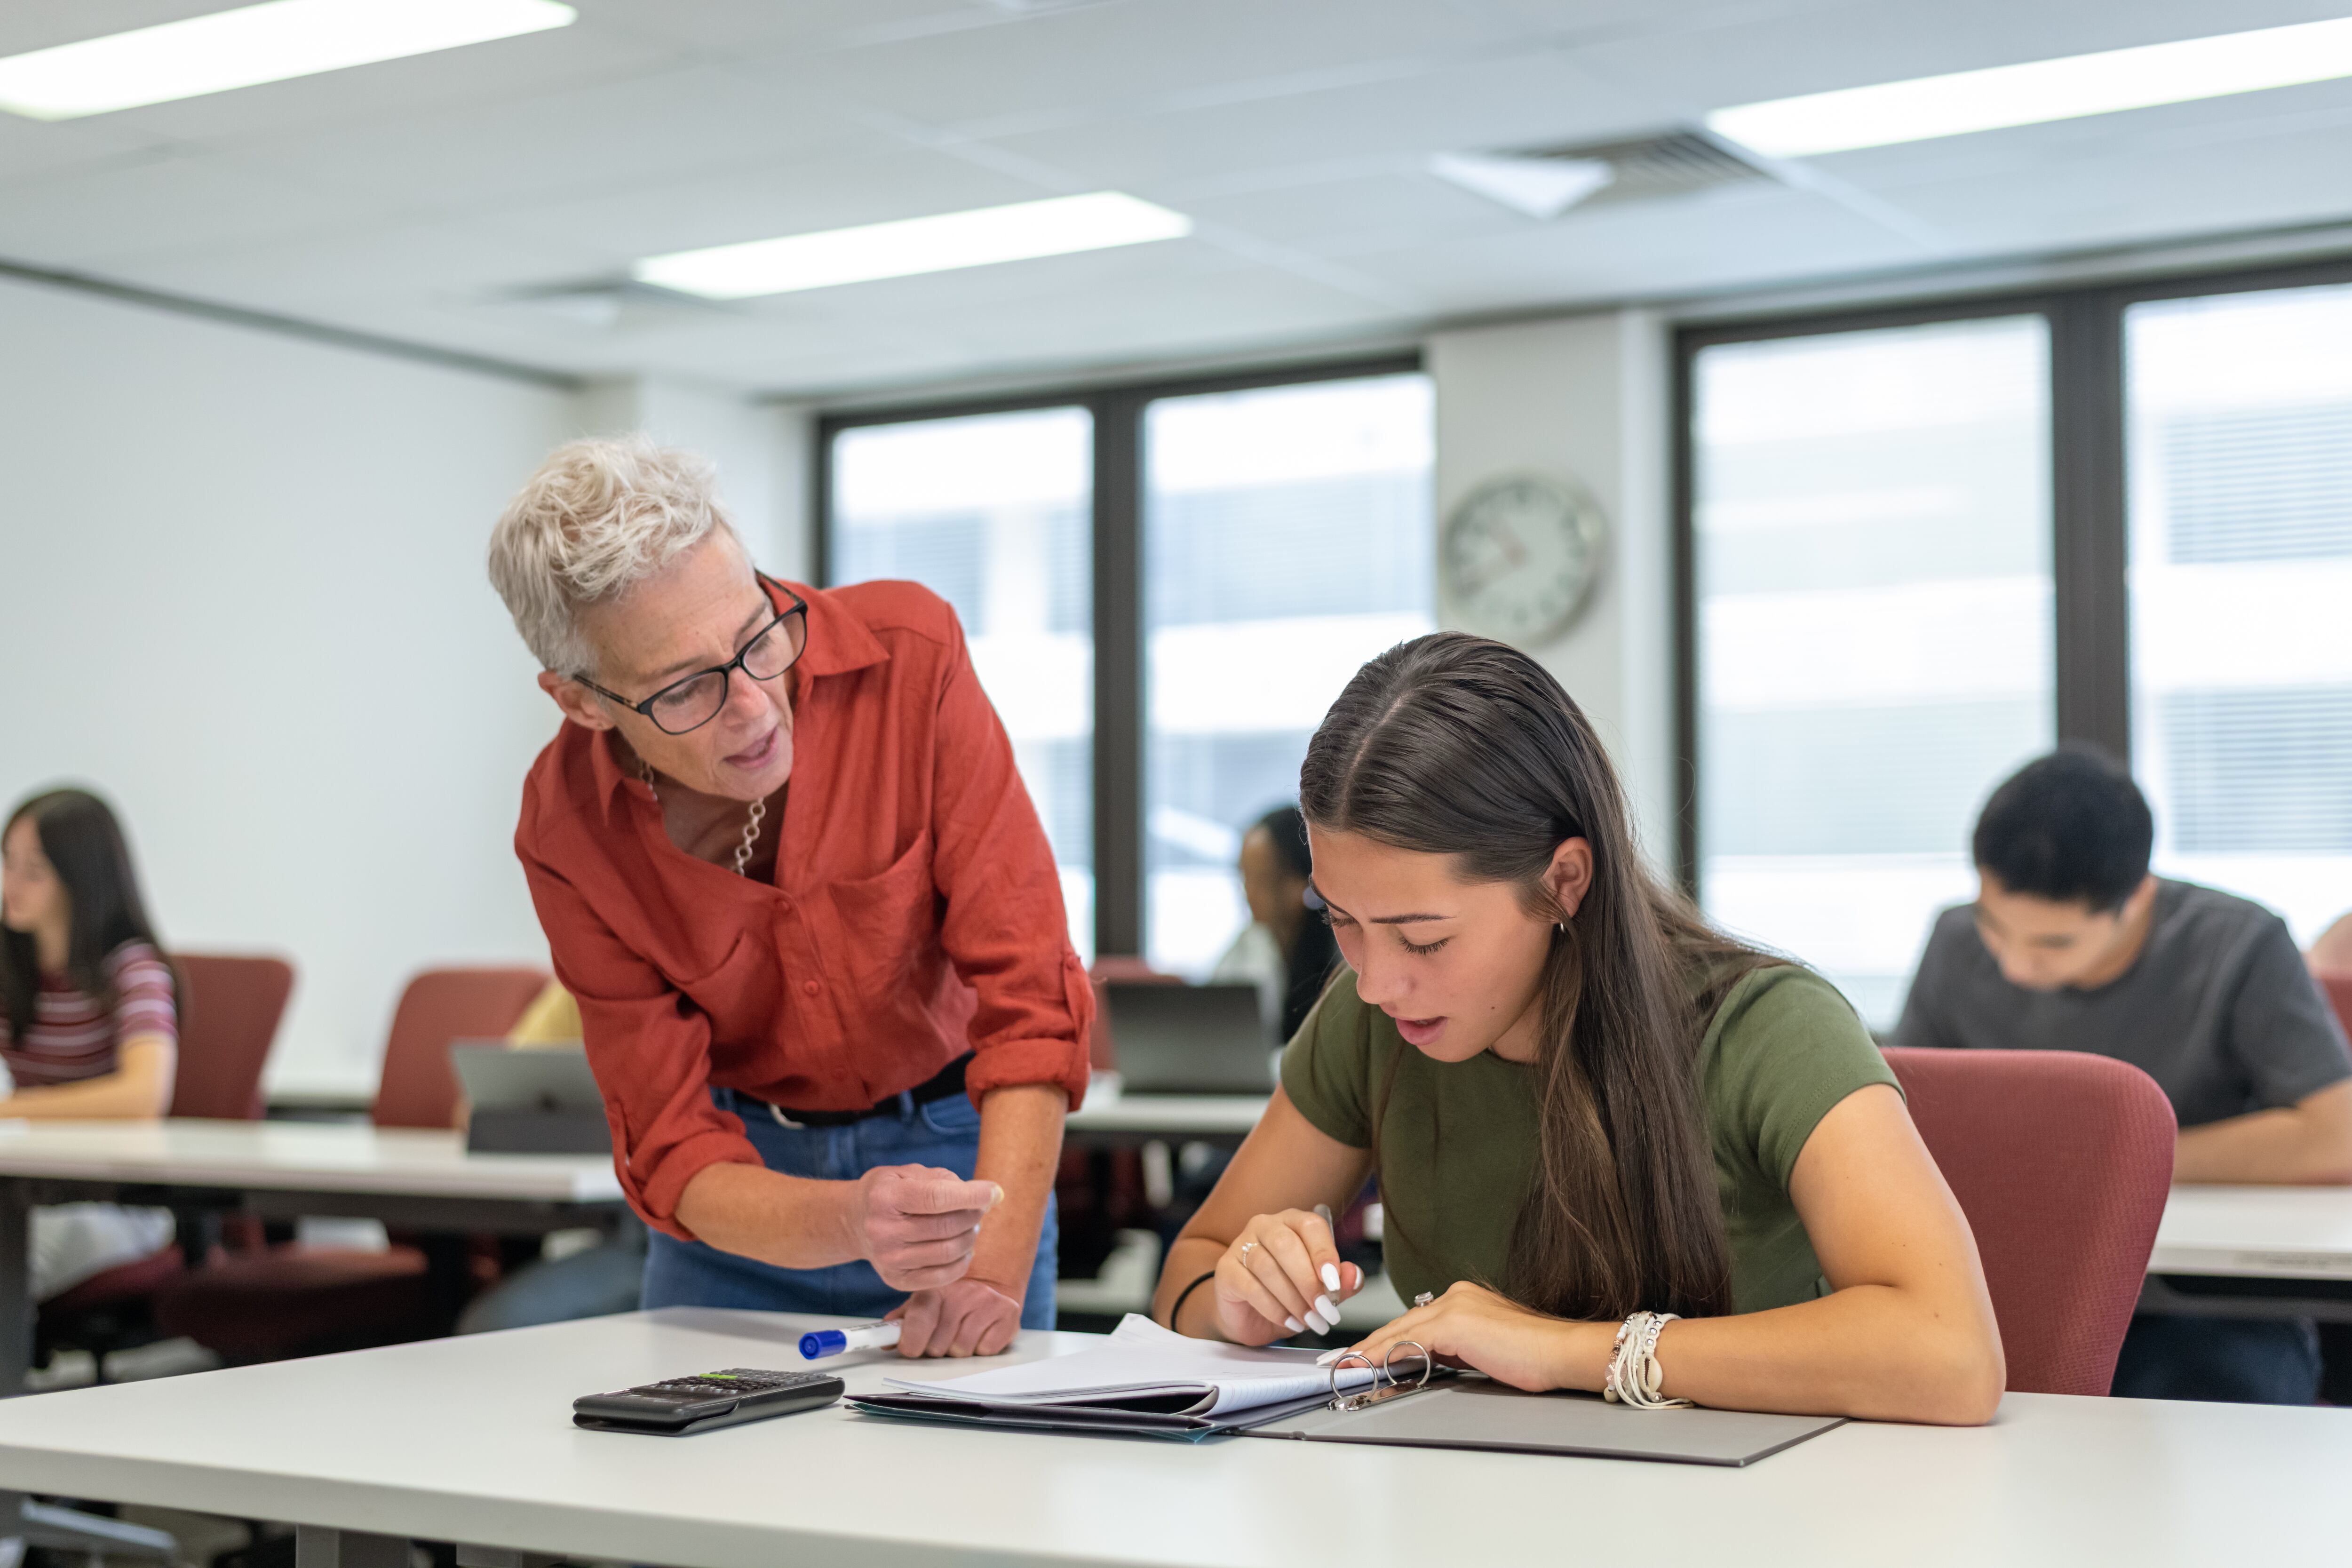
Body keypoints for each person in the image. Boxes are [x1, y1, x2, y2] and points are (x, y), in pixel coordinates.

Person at [1151, 634, 2004, 1424]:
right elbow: (1189, 1272)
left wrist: (1557, 1349)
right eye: (1341, 920)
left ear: (1563, 880)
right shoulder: (1371, 1020)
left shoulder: (1767, 1027)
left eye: (1425, 938)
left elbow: (1952, 1353)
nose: (1375, 982)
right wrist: (1235, 1298)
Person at [488, 437, 1091, 1359]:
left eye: (757, 635)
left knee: (976, 1448)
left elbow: (1030, 1002)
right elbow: (670, 1143)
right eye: (685, 688)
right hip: (743, 1201)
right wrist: (848, 1217)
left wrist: (991, 1273)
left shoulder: (909, 656)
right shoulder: (568, 827)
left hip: (965, 1161)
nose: (756, 705)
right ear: (582, 702)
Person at [1895, 747, 2352, 1404]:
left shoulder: (2239, 944)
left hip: (2201, 1306)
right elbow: (1904, 1119)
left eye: (2054, 943)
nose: (2016, 965)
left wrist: (2110, 1172)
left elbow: (2336, 1136)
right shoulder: (1953, 939)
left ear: (2137, 899)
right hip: (2006, 1285)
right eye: (1995, 927)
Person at [0, 789, 180, 1303]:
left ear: (81, 879)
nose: (11, 884)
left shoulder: (133, 970)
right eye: (8, 862)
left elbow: (143, 1096)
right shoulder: (11, 970)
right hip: (26, 1193)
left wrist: (13, 1110)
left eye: (34, 871)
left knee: (16, 1257)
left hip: (115, 1203)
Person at [1212, 806, 1341, 1043]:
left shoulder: (1338, 953)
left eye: (1261, 880)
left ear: (1300, 883)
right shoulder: (1250, 944)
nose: (1248, 894)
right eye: (1244, 877)